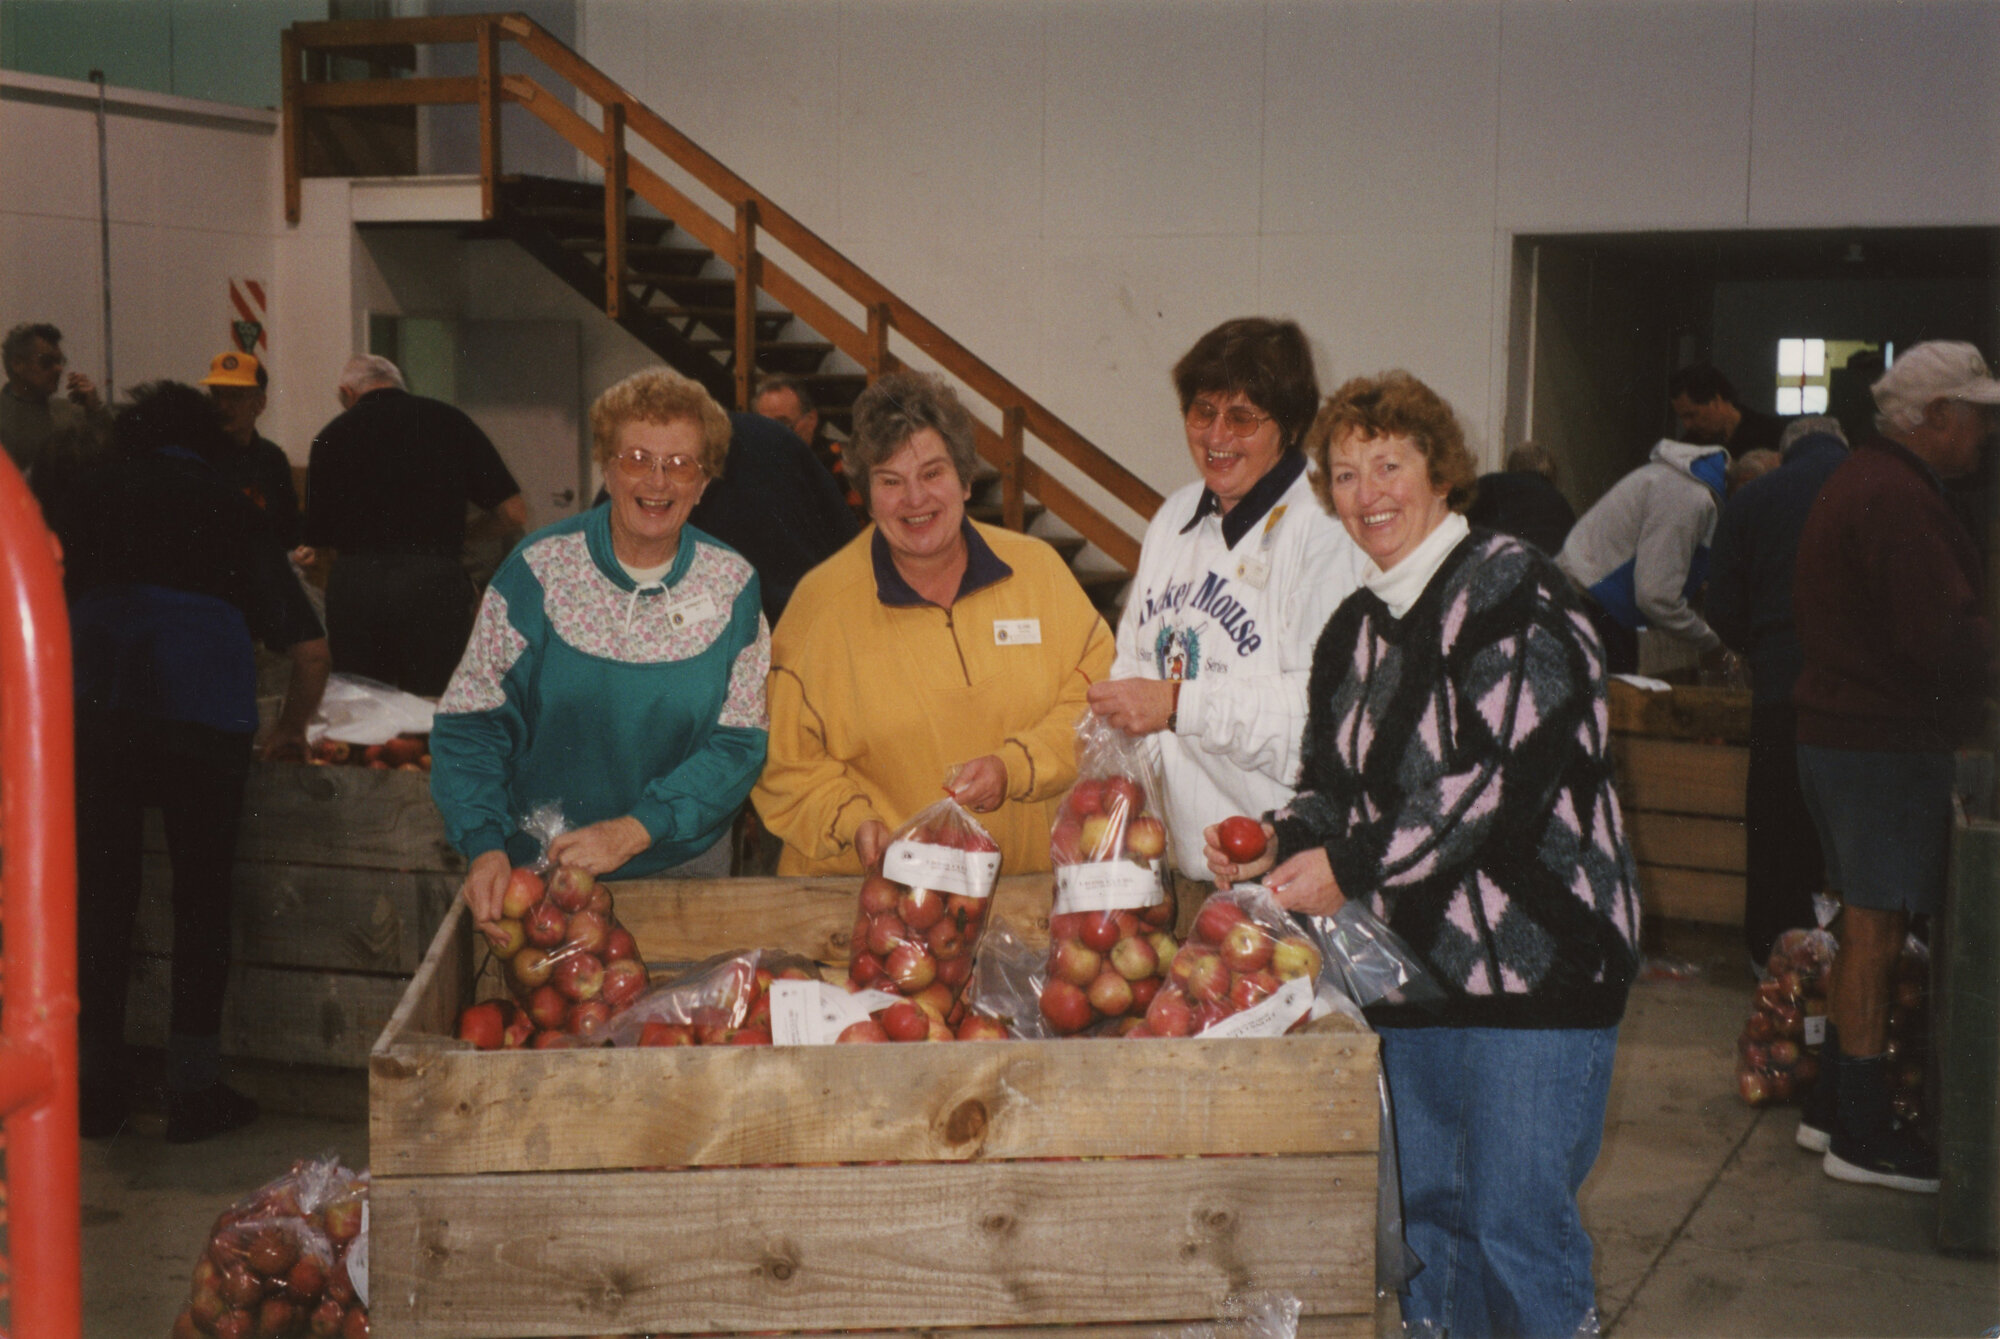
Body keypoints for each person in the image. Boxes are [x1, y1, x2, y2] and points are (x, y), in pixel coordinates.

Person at [1207, 370, 1640, 1339]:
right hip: (1411, 977)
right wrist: (1279, 835)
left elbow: (1494, 781)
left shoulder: (1515, 589)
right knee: (1430, 1222)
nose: (1369, 495)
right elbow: (1335, 786)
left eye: (1388, 465)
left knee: (1514, 1225)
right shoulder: (1352, 632)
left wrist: (1352, 864)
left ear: (1437, 471)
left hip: (1539, 974)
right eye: (1347, 474)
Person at [51, 381, 331, 1143]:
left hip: (98, 717)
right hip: (204, 725)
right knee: (201, 898)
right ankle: (192, 1088)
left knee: (101, 900)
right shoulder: (231, 504)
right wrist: (290, 727)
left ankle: (95, 1088)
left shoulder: (86, 495)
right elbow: (309, 651)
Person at [434, 368, 769, 932]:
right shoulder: (539, 573)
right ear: (607, 469)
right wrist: (485, 843)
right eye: (637, 458)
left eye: (680, 464)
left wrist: (638, 828)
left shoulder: (731, 585)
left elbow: (738, 744)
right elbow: (472, 721)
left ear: (705, 482)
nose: (658, 481)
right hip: (544, 873)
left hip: (682, 870)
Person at [754, 370, 1112, 875]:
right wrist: (851, 819)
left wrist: (1016, 767)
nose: (914, 499)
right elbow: (783, 763)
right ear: (866, 493)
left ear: (965, 479)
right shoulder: (820, 606)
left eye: (932, 473)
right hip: (880, 913)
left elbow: (1096, 696)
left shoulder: (1039, 573)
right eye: (890, 481)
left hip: (1029, 897)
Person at [1791, 342, 1998, 1193]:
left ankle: (1833, 1105)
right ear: (1936, 416)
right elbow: (1937, 639)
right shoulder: (1900, 499)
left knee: (1857, 925)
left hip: (1838, 733)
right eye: (1978, 415)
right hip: (1878, 741)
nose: (1987, 431)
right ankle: (1865, 1136)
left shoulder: (1862, 481)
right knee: (1875, 930)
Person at [1086, 317, 1362, 883]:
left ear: (1287, 424)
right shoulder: (1173, 519)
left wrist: (1178, 704)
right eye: (1202, 412)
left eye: (1241, 418)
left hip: (1288, 870)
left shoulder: (1325, 529)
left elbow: (1324, 718)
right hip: (1184, 872)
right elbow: (1134, 670)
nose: (1216, 437)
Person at [1705, 416, 1847, 973]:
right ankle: (1848, 965)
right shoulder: (1869, 486)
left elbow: (1722, 611)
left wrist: (1764, 652)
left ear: (1785, 455)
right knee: (1842, 841)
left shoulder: (1752, 500)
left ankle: (1776, 964)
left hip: (1780, 694)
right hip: (1857, 703)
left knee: (1775, 834)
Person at [303, 354, 526, 696]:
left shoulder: (330, 437)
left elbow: (320, 540)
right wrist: (462, 537)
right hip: (432, 584)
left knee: (361, 703)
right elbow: (513, 514)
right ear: (399, 383)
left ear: (347, 393)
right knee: (433, 702)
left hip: (356, 588)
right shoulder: (450, 421)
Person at [1555, 436, 1732, 675]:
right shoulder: (1687, 497)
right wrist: (1711, 644)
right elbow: (1654, 596)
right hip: (1589, 605)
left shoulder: (1679, 483)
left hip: (1589, 599)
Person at [687, 408, 858, 625]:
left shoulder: (698, 449)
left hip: (748, 617)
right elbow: (844, 528)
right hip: (820, 607)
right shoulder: (769, 433)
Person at [199, 349, 302, 551]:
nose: (223, 406)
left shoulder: (272, 459)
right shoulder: (199, 455)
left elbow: (289, 527)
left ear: (260, 404)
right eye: (216, 395)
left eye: (235, 397)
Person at [1, 320, 108, 489]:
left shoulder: (70, 414)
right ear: (17, 364)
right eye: (47, 362)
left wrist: (94, 409)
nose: (58, 369)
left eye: (60, 362)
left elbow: (104, 462)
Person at [755, 372, 856, 506]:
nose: (772, 436)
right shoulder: (751, 461)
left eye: (783, 424)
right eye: (763, 425)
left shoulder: (838, 462)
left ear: (811, 420)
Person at [1463, 441, 1576, 557]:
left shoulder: (1491, 484)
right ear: (1551, 475)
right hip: (1543, 568)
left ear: (1510, 467)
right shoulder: (1564, 507)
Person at [1669, 362, 1790, 456]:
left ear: (1716, 401)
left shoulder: (1771, 434)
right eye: (1682, 417)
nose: (1687, 425)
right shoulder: (1688, 447)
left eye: (1691, 415)